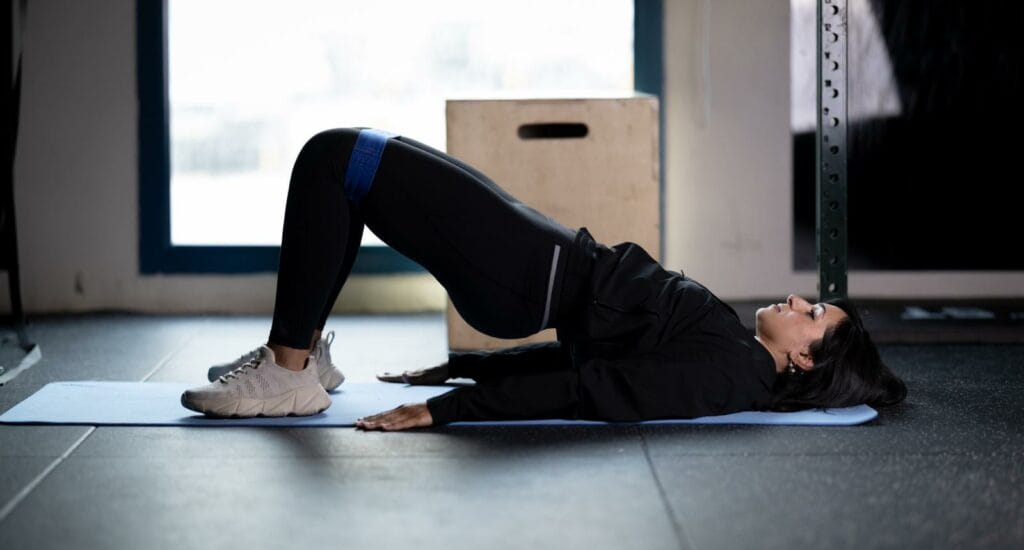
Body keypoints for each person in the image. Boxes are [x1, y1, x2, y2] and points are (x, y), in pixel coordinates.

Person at [181, 128, 907, 429]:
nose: (800, 300)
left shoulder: (730, 374)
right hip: (539, 261)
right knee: (347, 173)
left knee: (337, 158)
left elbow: (597, 390)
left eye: (815, 316)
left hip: (528, 272)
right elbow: (587, 358)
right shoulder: (733, 353)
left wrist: (451, 410)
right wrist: (459, 367)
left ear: (803, 359)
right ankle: (303, 356)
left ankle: (287, 369)